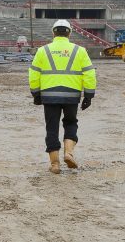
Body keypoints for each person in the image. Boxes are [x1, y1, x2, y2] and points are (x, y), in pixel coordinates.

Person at [29, 19, 97, 174]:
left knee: (51, 128)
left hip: (49, 95)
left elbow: (33, 74)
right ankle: (68, 153)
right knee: (71, 123)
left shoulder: (43, 51)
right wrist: (88, 95)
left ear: (53, 33)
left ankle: (55, 164)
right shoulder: (79, 51)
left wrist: (35, 93)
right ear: (69, 33)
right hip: (71, 96)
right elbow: (89, 73)